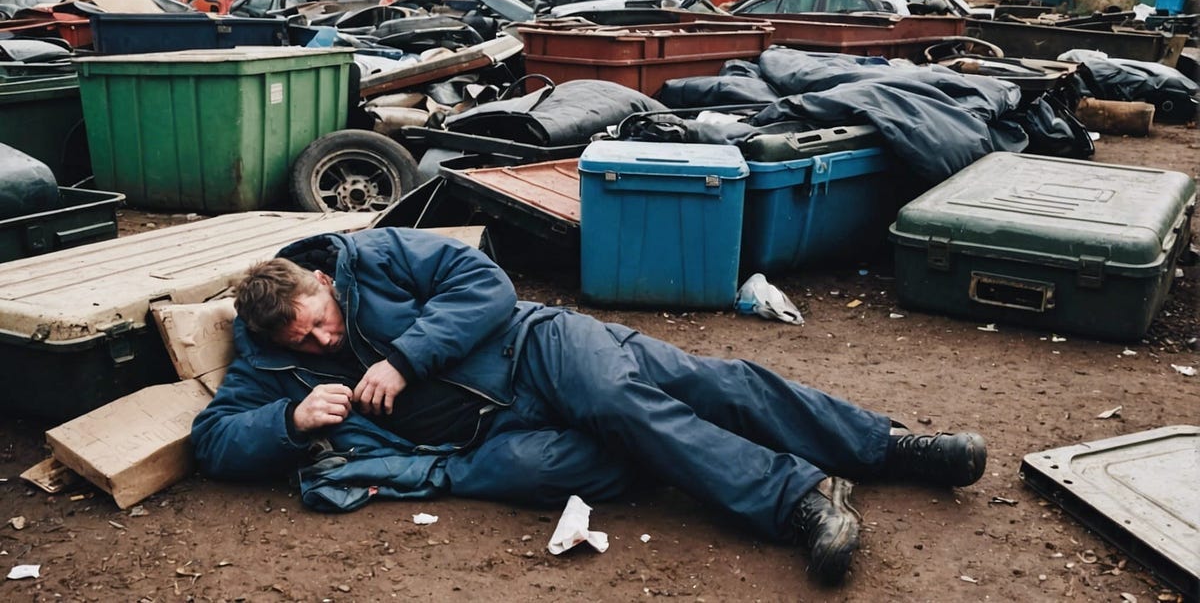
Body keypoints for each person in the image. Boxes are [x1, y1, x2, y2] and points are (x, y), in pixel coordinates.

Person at [192, 227, 987, 585]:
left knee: (622, 399)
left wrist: (402, 358)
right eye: (301, 343)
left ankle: (831, 482)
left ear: (323, 285)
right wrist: (288, 420)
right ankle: (853, 458)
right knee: (704, 393)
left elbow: (485, 287)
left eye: (320, 324)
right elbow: (215, 441)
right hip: (500, 428)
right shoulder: (271, 359)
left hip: (538, 345)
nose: (320, 344)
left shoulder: (374, 255)